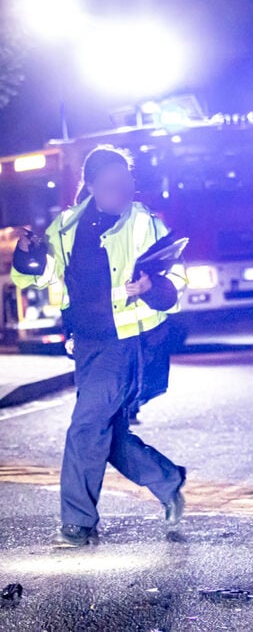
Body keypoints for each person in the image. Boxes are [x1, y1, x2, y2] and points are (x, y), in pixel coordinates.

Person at [11, 146, 187, 547]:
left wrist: (151, 287)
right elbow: (41, 275)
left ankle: (77, 522)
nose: (120, 189)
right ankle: (167, 479)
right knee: (106, 433)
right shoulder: (66, 226)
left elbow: (176, 280)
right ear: (90, 186)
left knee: (87, 426)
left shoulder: (145, 223)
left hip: (126, 344)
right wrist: (28, 255)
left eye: (126, 181)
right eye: (110, 183)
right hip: (87, 345)